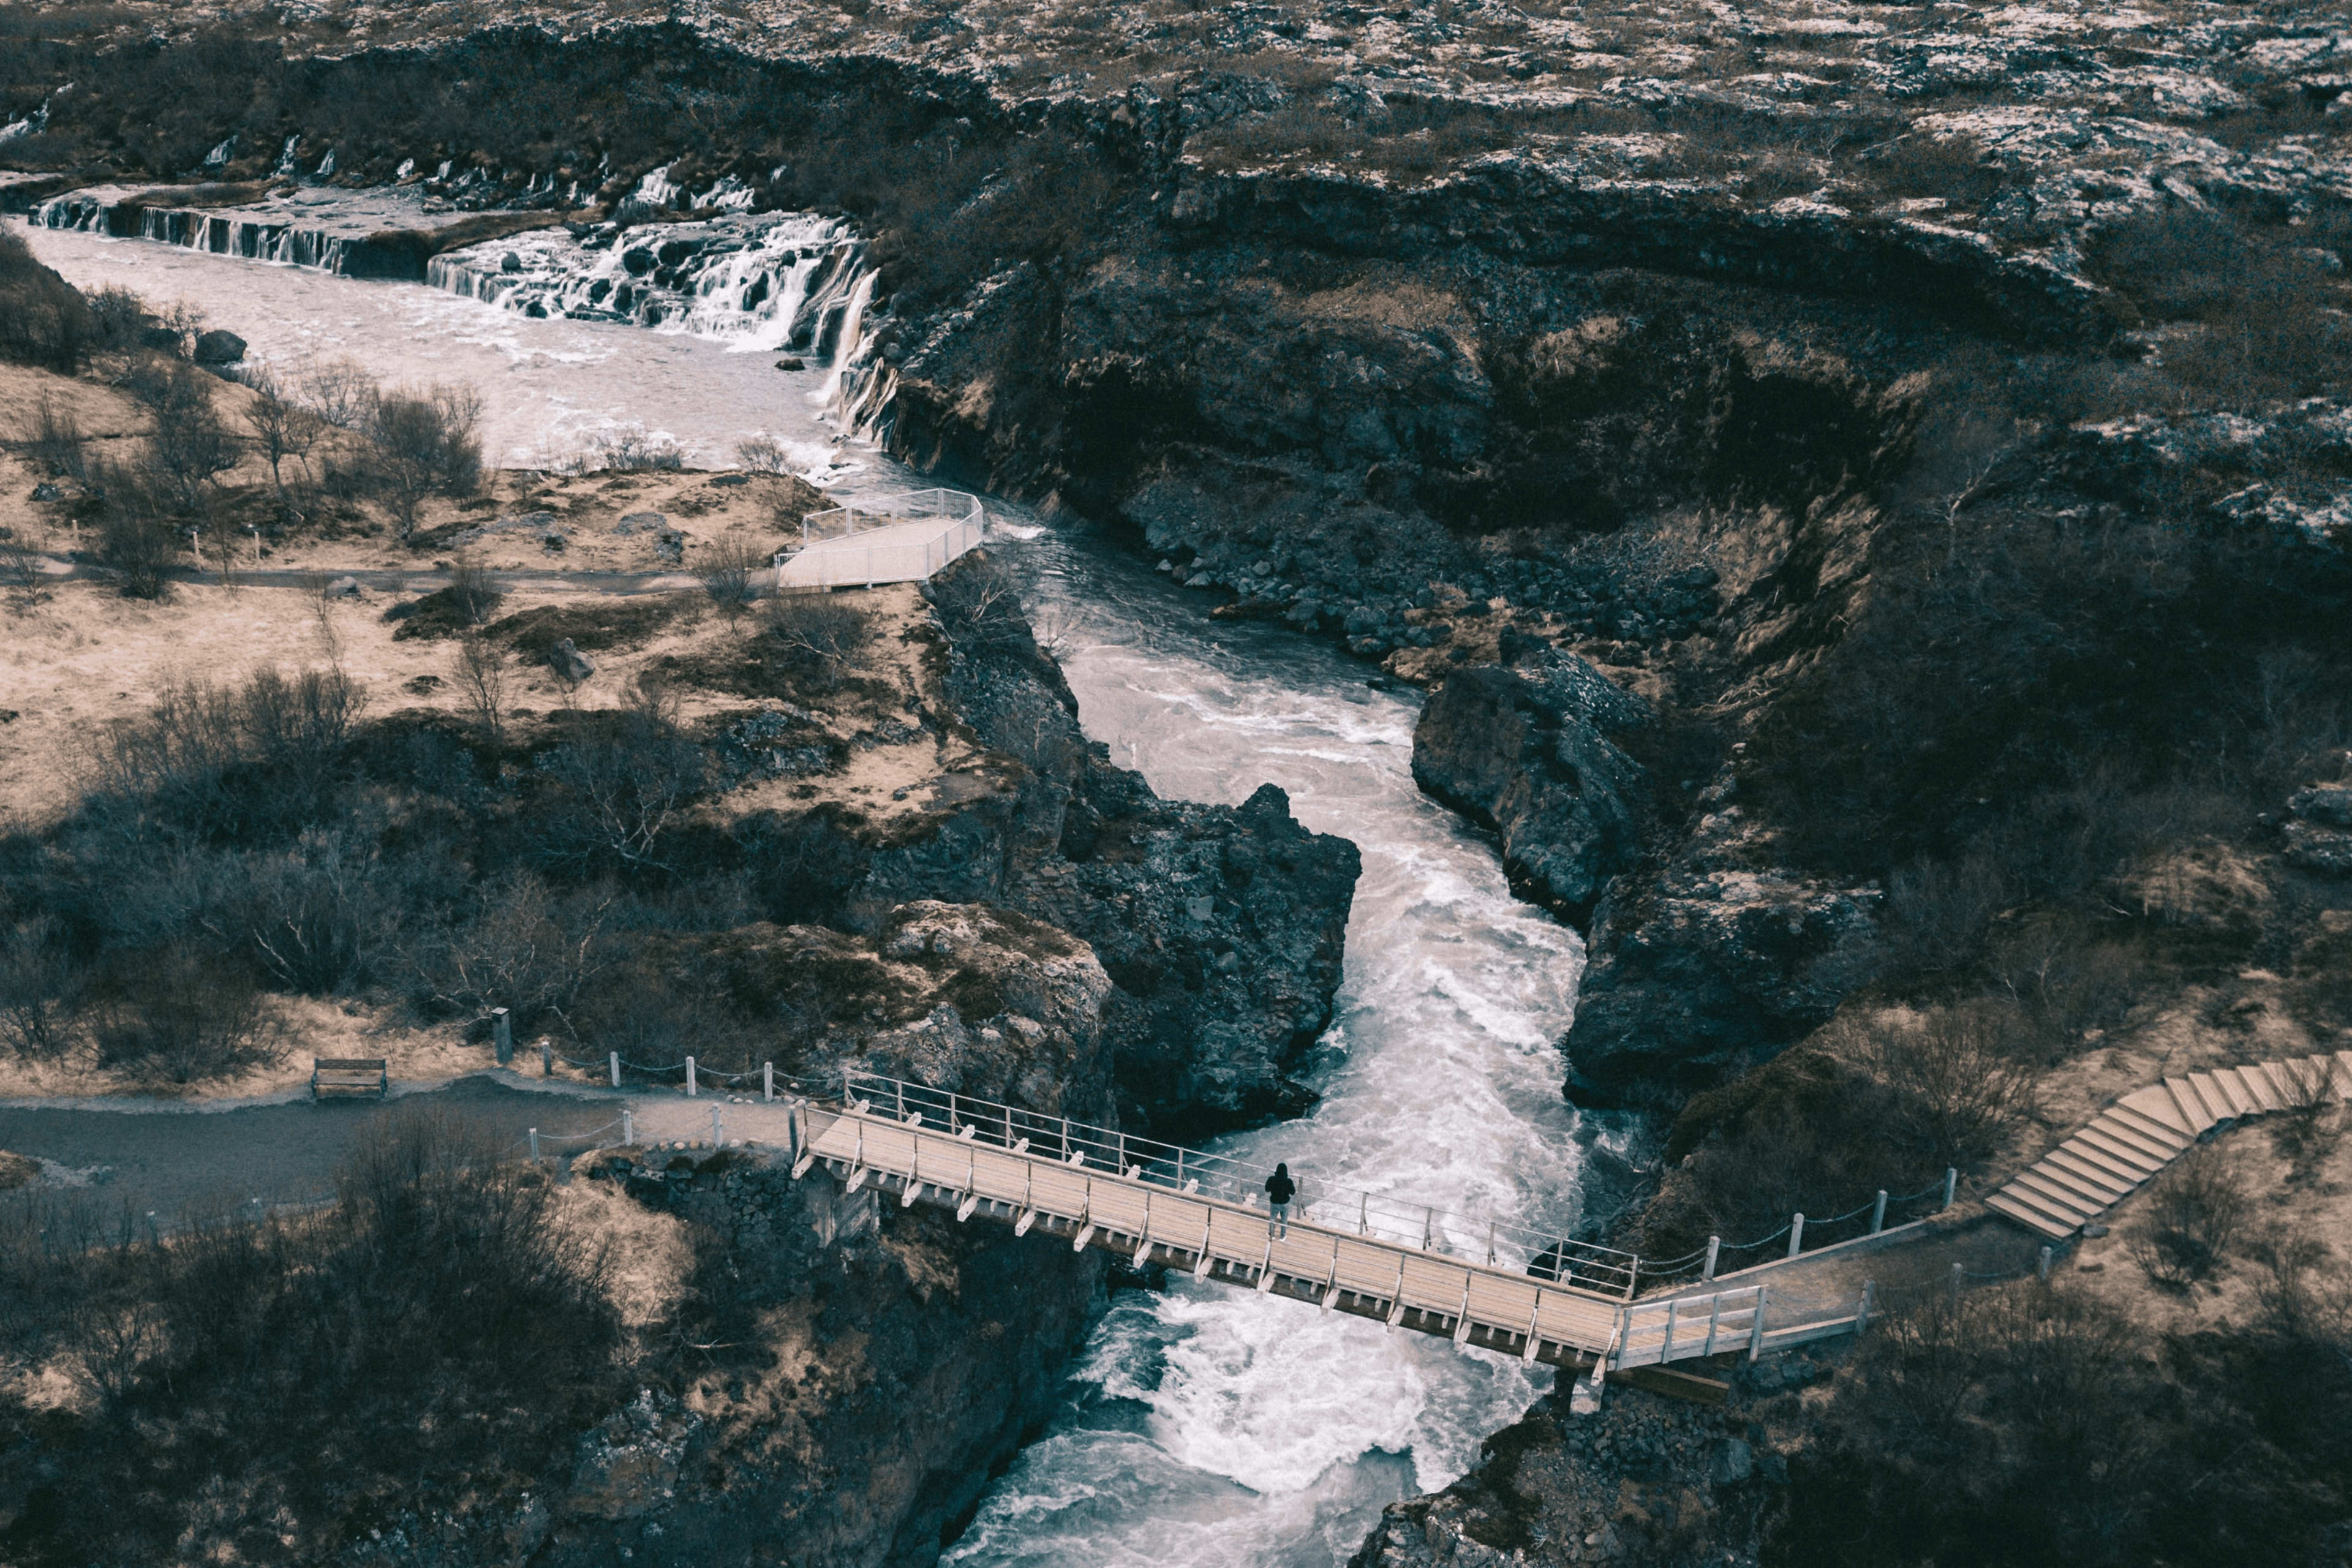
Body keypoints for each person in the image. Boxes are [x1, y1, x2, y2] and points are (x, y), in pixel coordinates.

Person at [1265, 1163, 1297, 1237]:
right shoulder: (1289, 1181)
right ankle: (1282, 1236)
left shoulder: (1272, 1179)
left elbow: (1267, 1189)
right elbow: (1293, 1192)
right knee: (1284, 1220)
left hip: (1274, 1203)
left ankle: (1271, 1234)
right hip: (1284, 1203)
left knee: (1272, 1218)